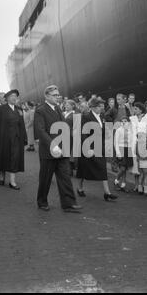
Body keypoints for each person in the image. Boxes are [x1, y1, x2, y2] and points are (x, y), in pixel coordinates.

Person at [34, 85, 82, 213]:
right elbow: (40, 131)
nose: (58, 97)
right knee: (46, 178)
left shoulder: (57, 109)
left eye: (58, 95)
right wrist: (53, 145)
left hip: (62, 150)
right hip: (49, 151)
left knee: (65, 177)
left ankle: (69, 203)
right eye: (55, 95)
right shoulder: (40, 110)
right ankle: (42, 201)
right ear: (47, 96)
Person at [76, 98, 118, 202]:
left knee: (102, 168)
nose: (102, 108)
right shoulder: (85, 117)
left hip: (99, 147)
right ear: (93, 107)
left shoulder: (102, 117)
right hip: (88, 147)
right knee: (83, 169)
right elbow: (82, 133)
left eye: (102, 106)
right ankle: (80, 188)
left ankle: (107, 193)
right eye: (100, 106)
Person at [0, 90, 27, 190]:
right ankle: (2, 176)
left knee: (15, 159)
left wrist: (24, 138)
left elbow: (22, 125)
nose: (14, 97)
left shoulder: (19, 109)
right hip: (4, 138)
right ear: (7, 98)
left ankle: (12, 181)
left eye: (15, 96)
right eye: (12, 96)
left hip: (16, 139)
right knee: (3, 157)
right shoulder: (1, 109)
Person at [114, 116, 134, 192]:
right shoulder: (118, 130)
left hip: (128, 150)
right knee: (122, 168)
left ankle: (123, 185)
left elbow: (132, 141)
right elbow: (116, 142)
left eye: (125, 121)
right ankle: (116, 181)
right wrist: (118, 153)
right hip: (121, 149)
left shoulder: (130, 130)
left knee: (125, 169)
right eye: (122, 121)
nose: (123, 122)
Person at [129, 102, 146, 193]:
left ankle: (142, 184)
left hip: (143, 144)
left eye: (136, 109)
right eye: (134, 108)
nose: (134, 110)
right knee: (136, 166)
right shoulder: (132, 119)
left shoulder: (146, 119)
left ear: (141, 110)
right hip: (134, 144)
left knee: (143, 166)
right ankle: (136, 185)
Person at [64, 100, 77, 175]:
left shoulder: (75, 114)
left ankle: (70, 170)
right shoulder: (64, 113)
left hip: (71, 135)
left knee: (70, 152)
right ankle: (67, 168)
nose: (66, 106)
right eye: (65, 104)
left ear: (72, 106)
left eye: (68, 105)